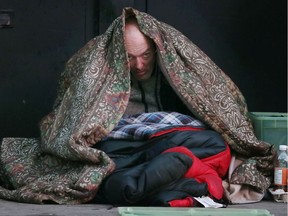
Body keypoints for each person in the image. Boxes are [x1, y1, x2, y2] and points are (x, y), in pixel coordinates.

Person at [0, 7, 275, 205]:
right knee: (105, 166)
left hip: (166, 140)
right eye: (130, 59)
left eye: (145, 55)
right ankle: (157, 178)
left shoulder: (175, 57)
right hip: (119, 145)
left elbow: (216, 98)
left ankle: (152, 178)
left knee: (213, 143)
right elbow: (70, 119)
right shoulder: (93, 59)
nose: (140, 65)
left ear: (156, 48)